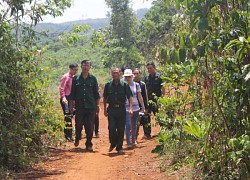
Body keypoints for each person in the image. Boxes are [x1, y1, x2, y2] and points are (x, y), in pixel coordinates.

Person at [69, 60, 100, 151]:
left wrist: (97, 106)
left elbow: (96, 94)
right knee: (78, 124)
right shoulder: (76, 79)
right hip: (80, 106)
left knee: (90, 126)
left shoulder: (93, 78)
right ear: (81, 67)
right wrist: (71, 106)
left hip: (91, 106)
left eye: (88, 65)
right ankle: (78, 137)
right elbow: (72, 94)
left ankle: (89, 143)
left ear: (90, 67)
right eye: (84, 65)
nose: (86, 67)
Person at [103, 67, 133, 154]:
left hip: (121, 109)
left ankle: (119, 147)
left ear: (120, 74)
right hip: (111, 109)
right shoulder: (108, 85)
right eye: (113, 73)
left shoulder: (124, 85)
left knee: (120, 128)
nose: (115, 74)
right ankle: (113, 143)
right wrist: (104, 109)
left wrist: (130, 108)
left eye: (116, 73)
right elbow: (105, 98)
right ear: (111, 74)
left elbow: (129, 97)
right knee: (111, 127)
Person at [123, 69, 145, 148]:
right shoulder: (123, 85)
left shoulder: (136, 85)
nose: (128, 78)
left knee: (134, 125)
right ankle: (128, 142)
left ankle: (133, 139)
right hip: (126, 108)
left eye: (129, 77)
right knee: (128, 125)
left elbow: (139, 96)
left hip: (136, 108)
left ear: (132, 76)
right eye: (126, 77)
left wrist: (143, 106)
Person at [144, 62, 165, 139]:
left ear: (154, 68)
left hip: (156, 100)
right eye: (148, 68)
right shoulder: (146, 78)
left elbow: (163, 88)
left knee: (159, 116)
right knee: (147, 117)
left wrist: (162, 99)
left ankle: (164, 131)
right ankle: (147, 134)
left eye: (150, 68)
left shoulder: (159, 77)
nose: (149, 70)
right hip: (148, 101)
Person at [59, 63, 78, 142]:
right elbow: (61, 88)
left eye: (76, 70)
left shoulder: (74, 77)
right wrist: (63, 97)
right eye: (74, 70)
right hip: (66, 99)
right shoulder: (65, 77)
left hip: (72, 99)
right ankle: (68, 135)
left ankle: (72, 133)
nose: (75, 71)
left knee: (73, 114)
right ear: (70, 69)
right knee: (68, 116)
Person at [133, 68, 149, 140]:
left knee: (141, 121)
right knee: (134, 123)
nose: (135, 75)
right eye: (134, 73)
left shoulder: (142, 84)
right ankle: (134, 137)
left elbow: (145, 96)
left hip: (140, 106)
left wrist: (145, 107)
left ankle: (146, 134)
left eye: (137, 74)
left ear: (140, 75)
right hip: (132, 106)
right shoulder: (130, 84)